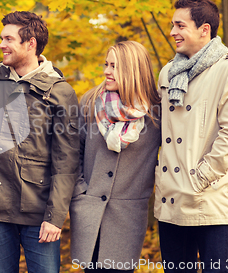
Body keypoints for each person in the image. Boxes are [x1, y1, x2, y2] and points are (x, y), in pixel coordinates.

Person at [154, 0, 228, 272]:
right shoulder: (168, 73)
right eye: (172, 25)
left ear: (204, 29)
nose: (173, 32)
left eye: (180, 25)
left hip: (206, 200)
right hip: (170, 199)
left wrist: (198, 180)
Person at [0, 11, 80, 273]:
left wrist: (55, 217)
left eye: (8, 39)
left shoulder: (59, 92)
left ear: (30, 43)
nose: (1, 45)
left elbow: (66, 161)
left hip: (38, 213)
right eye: (2, 38)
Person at [69, 41, 161, 272]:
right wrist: (81, 192)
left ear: (133, 70)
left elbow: (179, 147)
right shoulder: (90, 103)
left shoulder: (156, 114)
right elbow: (73, 154)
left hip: (127, 219)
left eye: (114, 66)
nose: (106, 71)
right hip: (89, 213)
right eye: (106, 64)